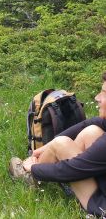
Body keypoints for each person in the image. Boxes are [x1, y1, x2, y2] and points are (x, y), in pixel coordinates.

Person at [9, 72, 106, 217]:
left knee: (61, 145)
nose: (97, 97)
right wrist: (48, 146)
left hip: (100, 205)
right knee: (91, 131)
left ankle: (30, 175)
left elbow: (70, 169)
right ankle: (41, 162)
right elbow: (92, 122)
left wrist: (35, 168)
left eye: (104, 93)